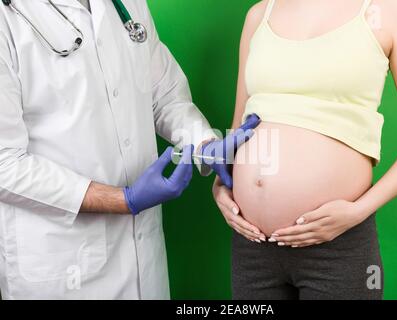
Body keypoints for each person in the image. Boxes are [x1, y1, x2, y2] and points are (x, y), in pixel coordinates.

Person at [0, 0, 259, 299]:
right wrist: (123, 200)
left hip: (143, 255)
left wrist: (204, 143)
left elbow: (164, 95)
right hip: (62, 262)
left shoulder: (126, 4)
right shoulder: (8, 18)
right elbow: (4, 164)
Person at [213, 0, 397, 300]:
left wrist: (358, 211)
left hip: (336, 245)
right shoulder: (259, 14)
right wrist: (221, 185)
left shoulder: (389, 9)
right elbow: (239, 127)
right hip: (252, 243)